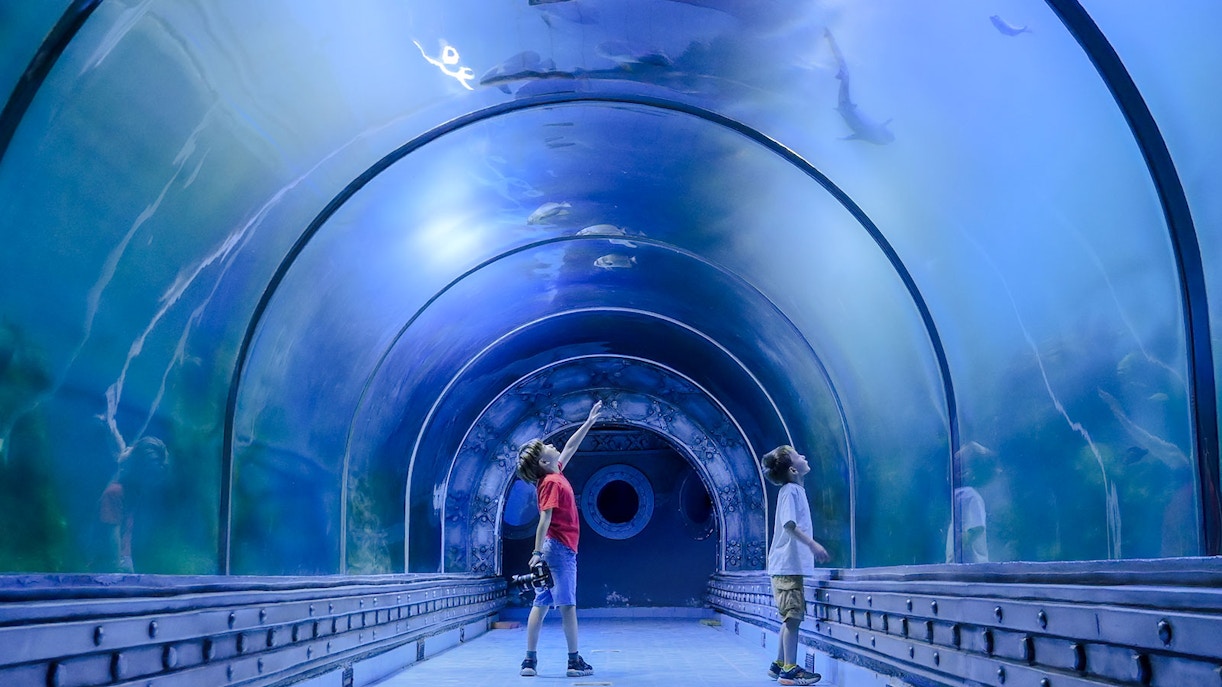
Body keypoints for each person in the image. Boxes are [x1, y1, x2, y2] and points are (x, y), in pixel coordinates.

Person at [515, 400, 603, 678]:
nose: (553, 446)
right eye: (547, 447)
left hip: (554, 549)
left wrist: (588, 422)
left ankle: (529, 661)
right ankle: (574, 662)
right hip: (560, 550)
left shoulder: (554, 473)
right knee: (567, 606)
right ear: (544, 462)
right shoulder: (552, 482)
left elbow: (570, 447)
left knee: (540, 603)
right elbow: (545, 519)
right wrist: (536, 553)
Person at [763, 445, 829, 686]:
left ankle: (779, 663)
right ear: (793, 469)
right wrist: (813, 545)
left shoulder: (794, 491)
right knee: (793, 618)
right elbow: (789, 525)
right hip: (787, 566)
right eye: (798, 456)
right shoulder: (791, 491)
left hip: (788, 567)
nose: (804, 456)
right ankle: (790, 670)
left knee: (789, 618)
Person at [97, 436, 169, 573]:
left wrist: (116, 568)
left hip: (114, 562)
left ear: (132, 463)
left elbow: (113, 535)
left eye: (131, 450)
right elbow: (120, 447)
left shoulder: (114, 493)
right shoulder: (133, 491)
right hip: (126, 559)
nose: (127, 448)